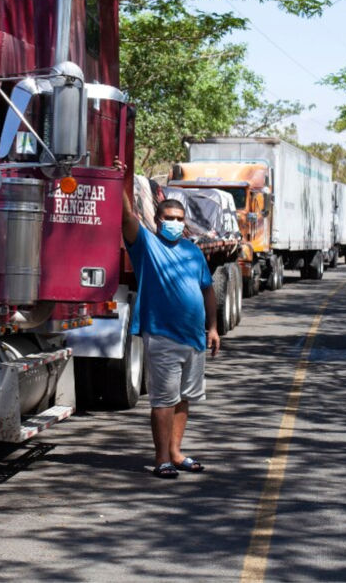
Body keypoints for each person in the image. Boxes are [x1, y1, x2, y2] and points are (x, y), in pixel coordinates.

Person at [120, 170, 219, 479]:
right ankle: (161, 457)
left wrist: (213, 328)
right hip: (162, 335)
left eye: (179, 218)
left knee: (185, 398)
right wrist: (119, 176)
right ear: (159, 221)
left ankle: (176, 453)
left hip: (195, 338)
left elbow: (208, 290)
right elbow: (125, 215)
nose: (175, 223)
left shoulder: (193, 251)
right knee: (164, 400)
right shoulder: (146, 245)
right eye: (169, 218)